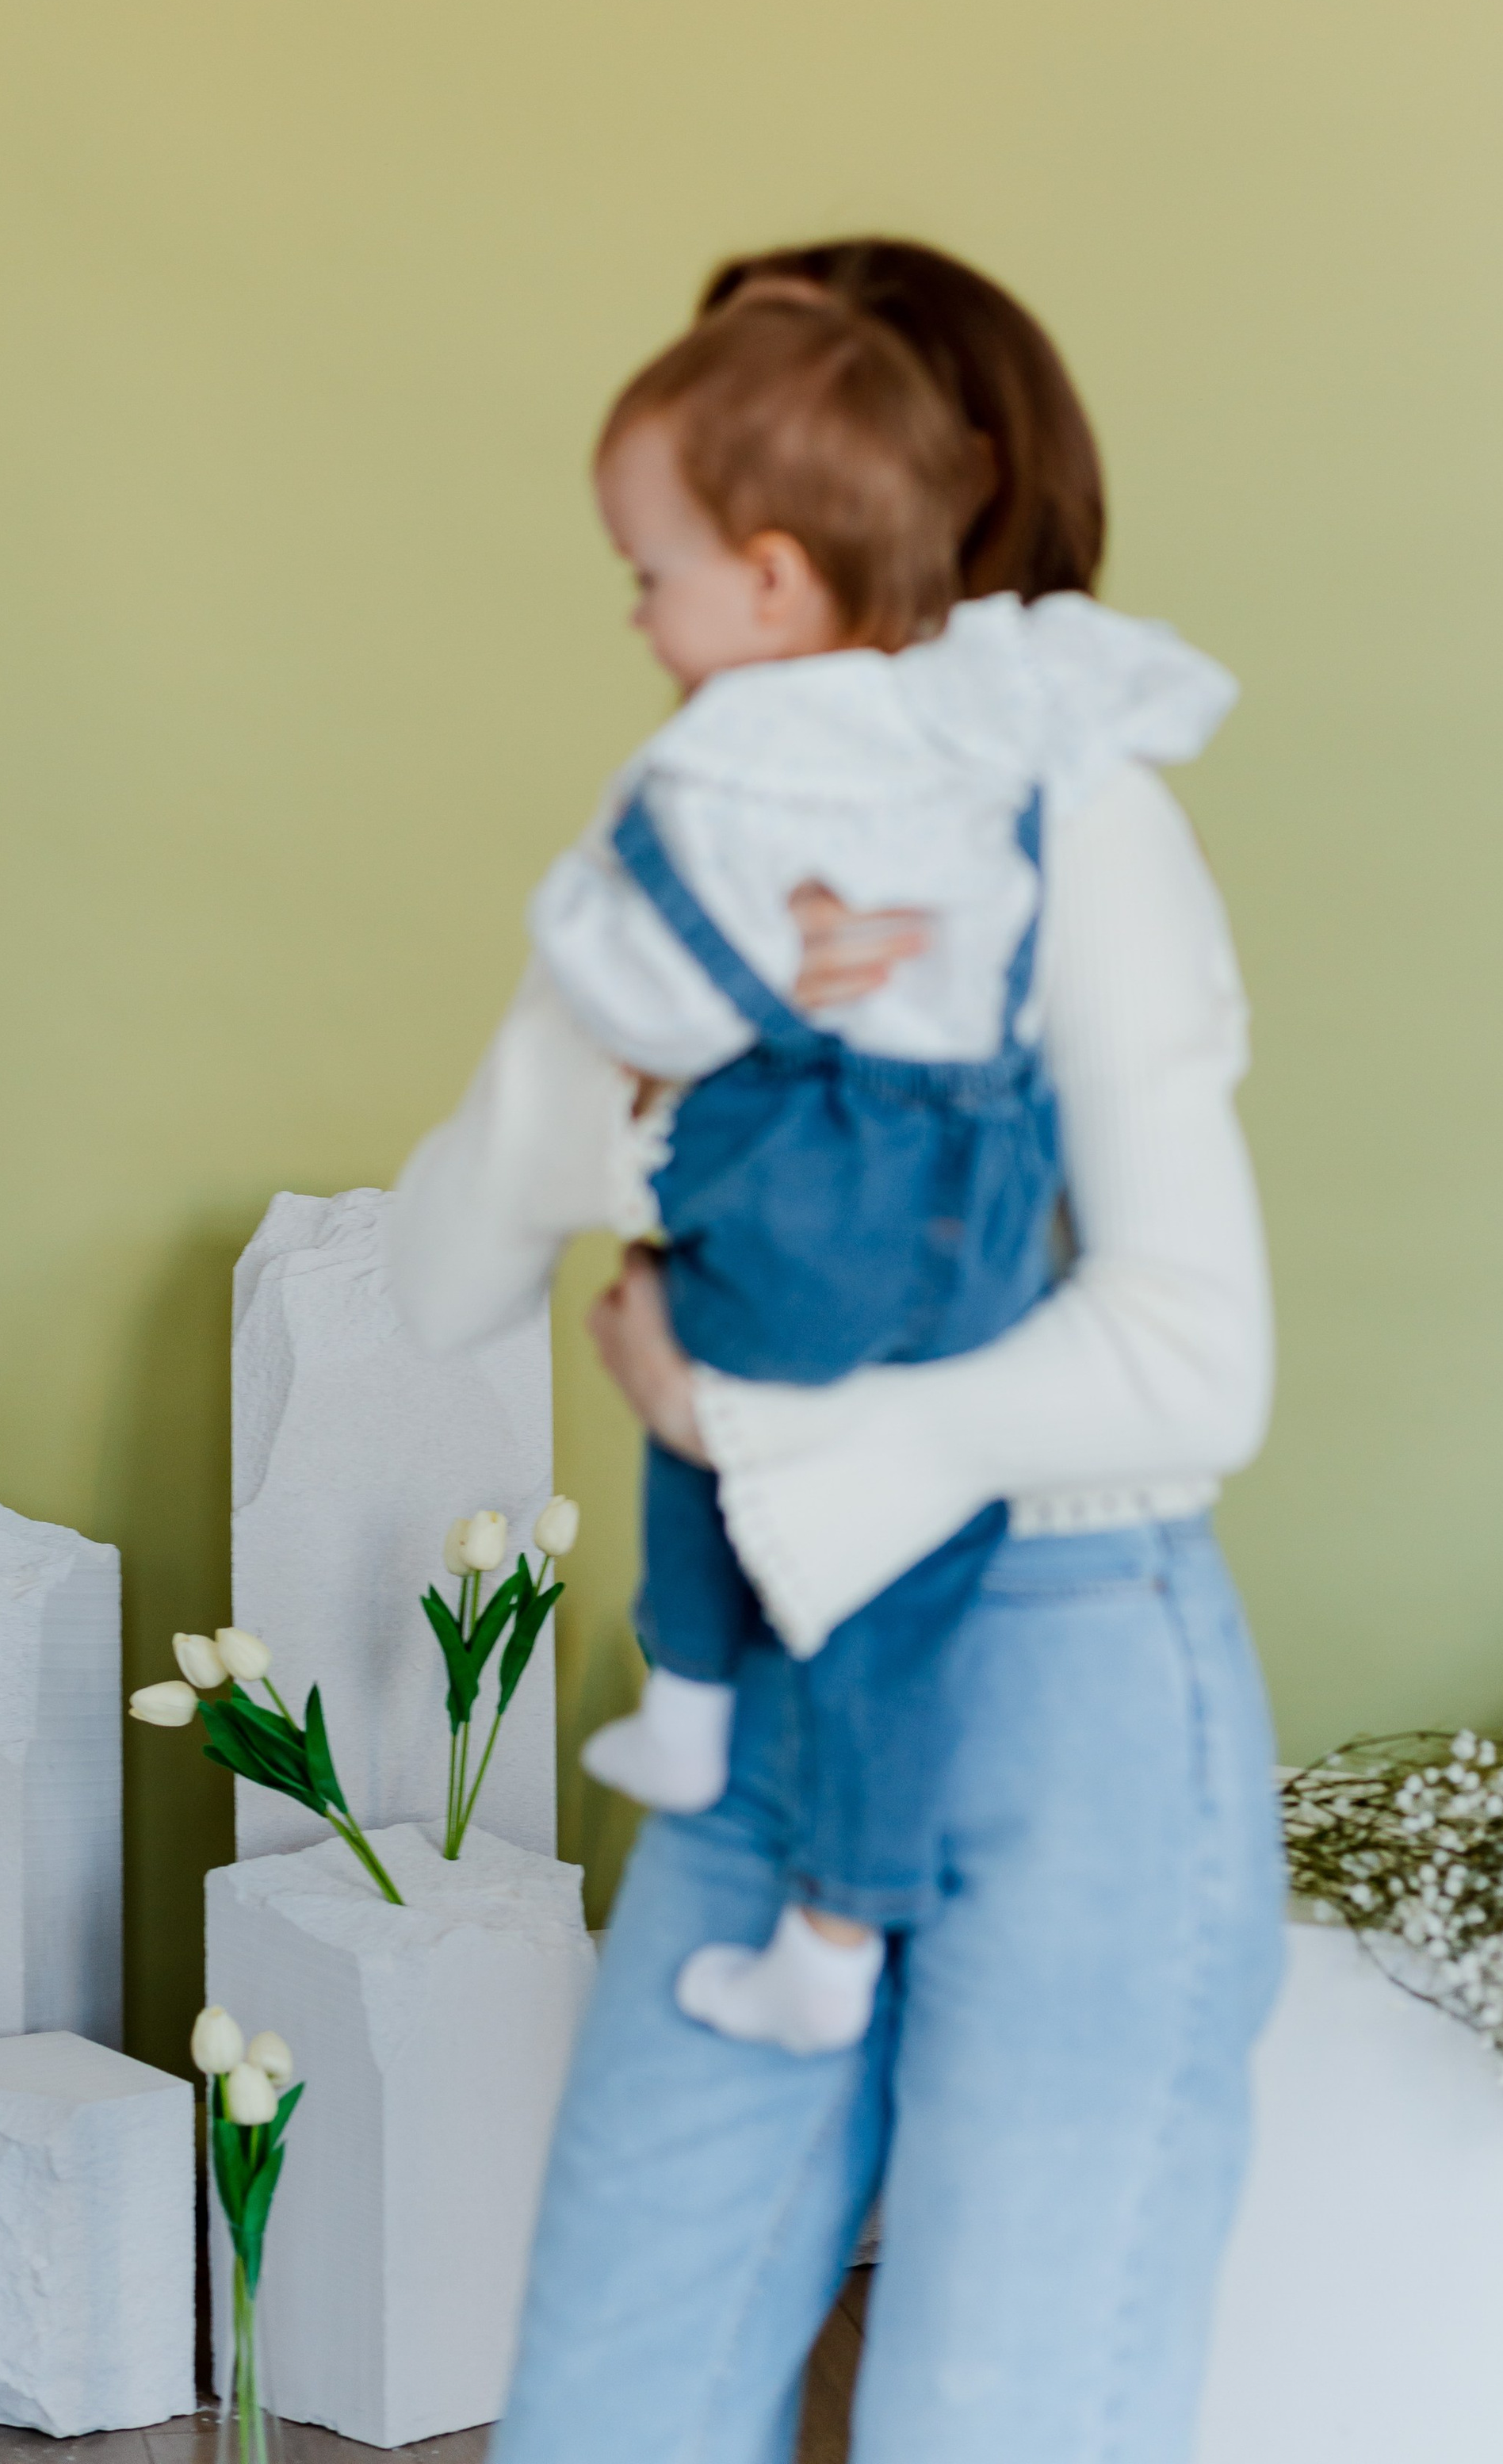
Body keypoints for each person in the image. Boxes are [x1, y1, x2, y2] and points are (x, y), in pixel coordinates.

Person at [388, 239, 1285, 2464]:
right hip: (768, 1716)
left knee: (1004, 2427)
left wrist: (749, 1428)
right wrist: (625, 976)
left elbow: (1193, 1365)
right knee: (606, 2411)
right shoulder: (677, 858)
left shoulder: (1084, 825)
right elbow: (442, 1280)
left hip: (1074, 1706)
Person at [484, 280, 1236, 2057]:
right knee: (629, 2299)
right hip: (774, 1578)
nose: (639, 614)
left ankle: (792, 1869)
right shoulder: (769, 784)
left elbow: (1196, 1361)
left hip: (1030, 1578)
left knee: (998, 2312)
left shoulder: (1057, 802)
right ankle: (725, 1769)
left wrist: (710, 1411)